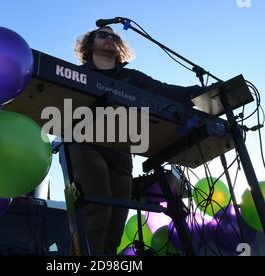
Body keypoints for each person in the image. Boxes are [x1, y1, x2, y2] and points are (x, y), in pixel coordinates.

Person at [66, 26, 200, 255]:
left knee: (115, 227)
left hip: (121, 152)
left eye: (114, 36)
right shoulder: (78, 73)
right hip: (86, 146)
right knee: (97, 213)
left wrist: (197, 93)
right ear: (90, 44)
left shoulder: (131, 77)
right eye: (103, 34)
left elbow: (163, 90)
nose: (110, 38)